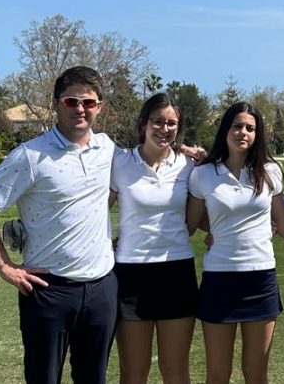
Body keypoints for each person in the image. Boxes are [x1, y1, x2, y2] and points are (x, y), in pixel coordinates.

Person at [0, 66, 117, 384]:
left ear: (99, 107)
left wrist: (196, 157)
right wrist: (5, 267)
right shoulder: (31, 156)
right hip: (49, 291)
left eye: (88, 102)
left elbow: (147, 165)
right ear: (55, 104)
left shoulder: (108, 149)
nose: (80, 109)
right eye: (71, 101)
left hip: (102, 287)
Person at [186, 101, 284, 384]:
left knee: (256, 373)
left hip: (260, 279)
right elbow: (191, 224)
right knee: (217, 374)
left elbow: (282, 223)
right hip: (219, 281)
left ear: (257, 134)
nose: (243, 132)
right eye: (237, 126)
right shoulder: (203, 174)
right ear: (225, 129)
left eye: (250, 128)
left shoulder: (270, 172)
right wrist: (215, 228)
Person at [109, 93, 199, 384]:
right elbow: (96, 211)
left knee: (175, 372)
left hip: (176, 272)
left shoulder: (189, 166)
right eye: (157, 121)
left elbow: (208, 209)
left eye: (172, 123)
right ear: (143, 124)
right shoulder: (120, 163)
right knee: (134, 373)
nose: (164, 129)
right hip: (131, 274)